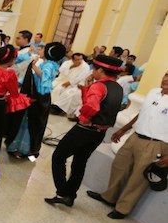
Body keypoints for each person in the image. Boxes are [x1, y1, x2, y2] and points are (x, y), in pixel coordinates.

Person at [87, 70, 168, 219]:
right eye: (166, 75)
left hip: (155, 144)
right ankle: (109, 197)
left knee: (138, 179)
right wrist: (123, 130)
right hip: (135, 137)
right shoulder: (154, 92)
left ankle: (122, 209)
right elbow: (141, 114)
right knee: (119, 166)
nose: (166, 79)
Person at [45, 54, 124, 207]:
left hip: (85, 129)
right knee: (80, 162)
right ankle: (70, 195)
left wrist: (84, 117)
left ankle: (62, 192)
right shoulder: (117, 87)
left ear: (100, 70)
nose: (92, 71)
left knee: (59, 156)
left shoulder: (99, 86)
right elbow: (101, 103)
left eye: (94, 69)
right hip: (99, 133)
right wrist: (87, 88)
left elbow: (92, 106)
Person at [7, 42, 66, 159]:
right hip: (38, 96)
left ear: (49, 53)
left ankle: (23, 149)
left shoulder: (49, 65)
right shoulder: (48, 63)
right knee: (29, 121)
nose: (40, 50)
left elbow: (44, 78)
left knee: (31, 123)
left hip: (39, 98)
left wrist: (33, 66)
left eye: (43, 49)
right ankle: (21, 147)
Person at [51, 52, 91, 117]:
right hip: (62, 79)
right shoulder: (67, 63)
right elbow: (61, 71)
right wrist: (71, 67)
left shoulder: (85, 67)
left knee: (62, 89)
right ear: (73, 60)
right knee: (53, 85)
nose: (79, 61)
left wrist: (70, 82)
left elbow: (80, 77)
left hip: (74, 84)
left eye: (80, 59)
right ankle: (51, 103)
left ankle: (57, 108)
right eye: (77, 60)